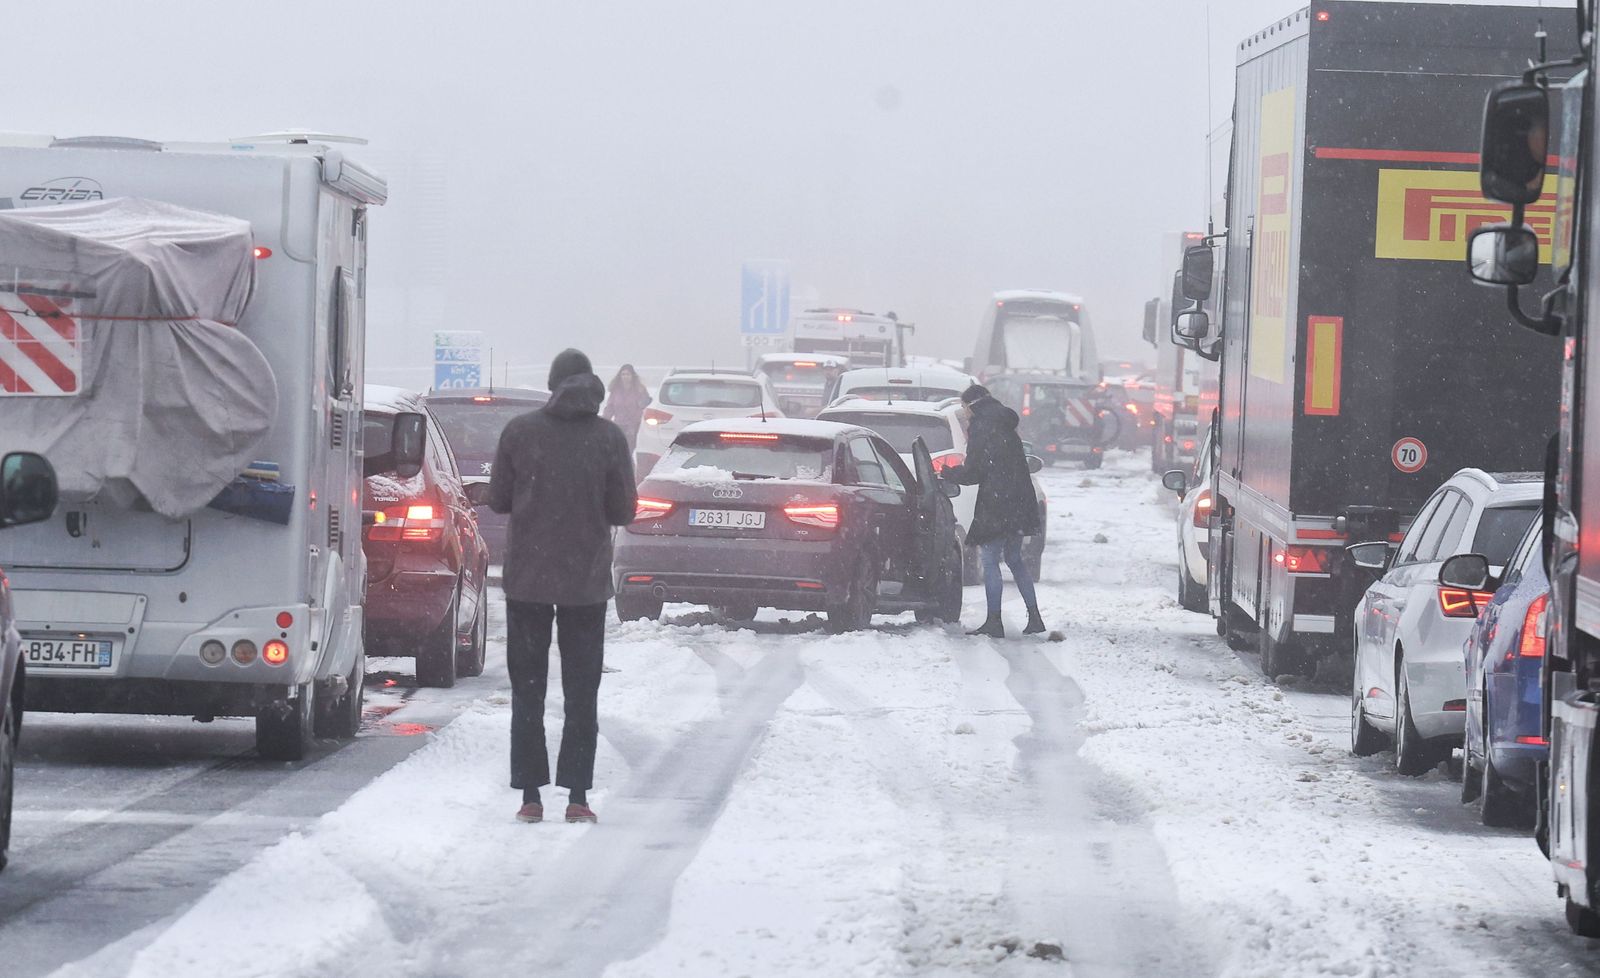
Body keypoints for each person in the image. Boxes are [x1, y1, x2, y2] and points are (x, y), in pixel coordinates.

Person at [488, 349, 637, 824]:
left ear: (553, 385)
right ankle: (577, 798)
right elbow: (623, 512)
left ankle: (531, 796)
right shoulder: (609, 438)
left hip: (528, 581)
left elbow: (498, 499)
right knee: (581, 692)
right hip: (586, 583)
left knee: (528, 690)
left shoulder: (520, 432)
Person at [945, 383, 1045, 638]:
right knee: (1014, 559)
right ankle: (1034, 617)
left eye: (963, 407)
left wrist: (948, 473)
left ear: (972, 404)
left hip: (997, 503)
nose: (964, 412)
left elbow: (975, 471)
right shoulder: (1004, 420)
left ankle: (994, 620)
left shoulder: (981, 426)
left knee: (990, 560)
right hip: (1021, 500)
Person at [602, 364, 652, 453]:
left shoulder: (640, 389)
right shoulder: (615, 390)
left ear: (632, 376)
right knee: (618, 449)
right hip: (619, 425)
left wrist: (644, 402)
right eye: (623, 374)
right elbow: (610, 407)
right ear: (620, 376)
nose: (625, 377)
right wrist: (604, 421)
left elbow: (645, 403)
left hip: (634, 425)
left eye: (628, 374)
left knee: (629, 450)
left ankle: (629, 465)